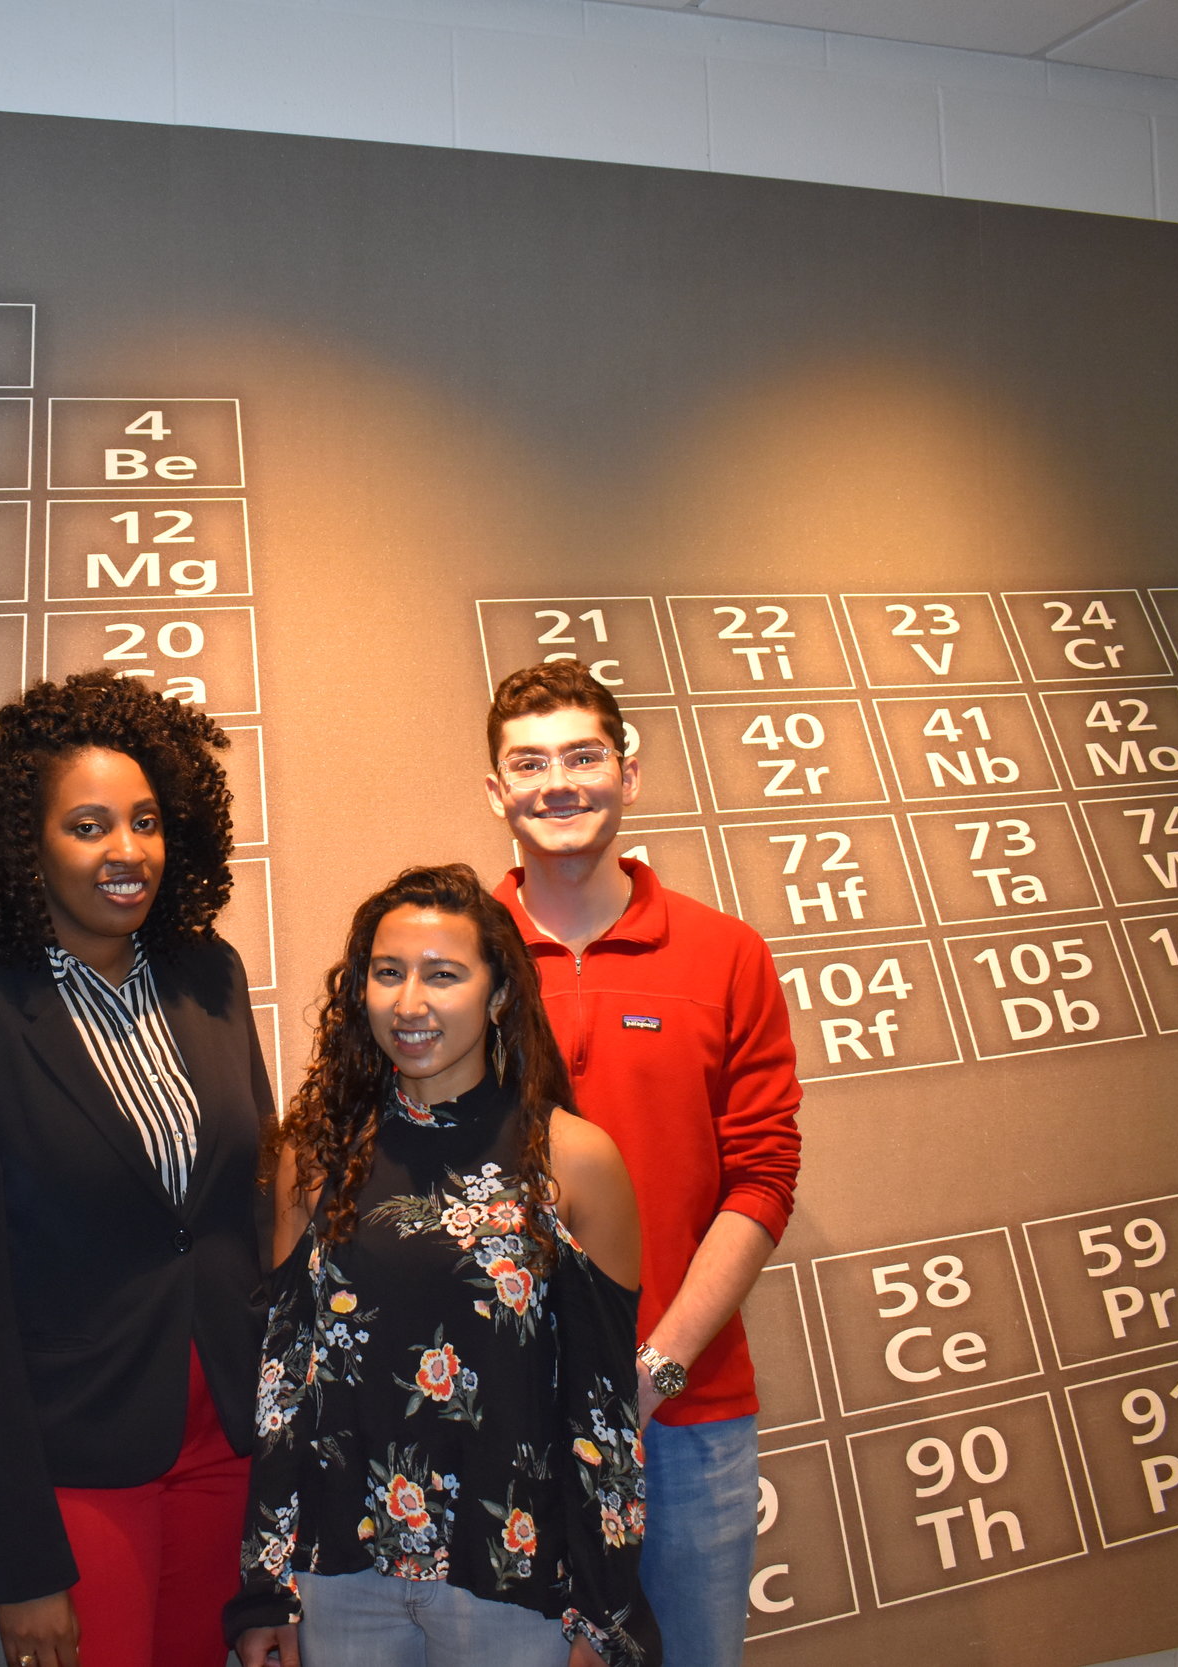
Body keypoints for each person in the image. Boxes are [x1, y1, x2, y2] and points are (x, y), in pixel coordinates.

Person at [0, 670, 273, 1667]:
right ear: (27, 848)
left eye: (147, 819)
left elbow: (250, 1212)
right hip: (79, 1467)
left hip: (230, 1448)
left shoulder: (213, 975)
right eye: (88, 824)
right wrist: (20, 1561)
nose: (127, 850)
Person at [226, 863, 654, 1667]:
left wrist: (604, 1615)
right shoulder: (314, 1156)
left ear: (498, 996)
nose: (410, 1003)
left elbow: (604, 1416)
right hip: (337, 1578)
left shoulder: (574, 1160)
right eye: (388, 973)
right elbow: (282, 1383)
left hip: (515, 1584)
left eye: (443, 975)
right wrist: (267, 1582)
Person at [482, 662, 803, 1667]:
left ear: (629, 772)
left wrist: (653, 1368)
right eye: (527, 762)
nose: (558, 783)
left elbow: (763, 1175)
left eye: (583, 755)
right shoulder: (448, 959)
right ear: (496, 790)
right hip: (500, 1421)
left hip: (686, 1417)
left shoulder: (726, 954)